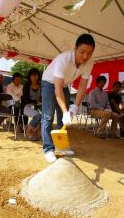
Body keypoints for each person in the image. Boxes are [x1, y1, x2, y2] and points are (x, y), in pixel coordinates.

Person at [41, 33, 95, 162]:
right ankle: (48, 149)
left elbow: (82, 87)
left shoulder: (89, 63)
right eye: (82, 52)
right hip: (49, 83)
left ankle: (61, 146)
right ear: (75, 48)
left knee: (62, 119)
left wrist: (75, 106)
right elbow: (57, 89)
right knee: (48, 117)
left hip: (64, 84)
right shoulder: (63, 59)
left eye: (89, 53)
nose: (85, 56)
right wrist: (66, 111)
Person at [21, 68, 41, 141]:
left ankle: (35, 133)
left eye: (36, 75)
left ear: (39, 76)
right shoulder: (26, 85)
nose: (34, 77)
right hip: (26, 106)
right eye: (32, 75)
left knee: (45, 116)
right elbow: (26, 99)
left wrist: (38, 103)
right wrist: (36, 102)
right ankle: (28, 130)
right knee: (38, 115)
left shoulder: (41, 85)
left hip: (37, 106)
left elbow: (42, 98)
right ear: (29, 76)